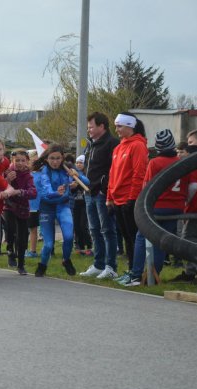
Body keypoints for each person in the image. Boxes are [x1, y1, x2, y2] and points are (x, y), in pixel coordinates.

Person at [116, 130, 187, 286]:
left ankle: (136, 274)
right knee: (162, 240)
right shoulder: (181, 161)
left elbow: (146, 187)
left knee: (142, 237)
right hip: (176, 207)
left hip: (157, 207)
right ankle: (155, 274)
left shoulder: (154, 163)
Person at [32, 144, 88, 277]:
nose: (55, 162)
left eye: (58, 158)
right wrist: (57, 193)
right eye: (52, 158)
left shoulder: (68, 168)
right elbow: (46, 192)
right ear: (46, 159)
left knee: (69, 237)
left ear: (62, 158)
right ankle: (43, 265)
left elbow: (87, 182)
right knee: (49, 244)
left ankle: (66, 260)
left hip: (63, 206)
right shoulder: (43, 172)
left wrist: (76, 176)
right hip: (47, 208)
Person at [106, 112, 148, 277]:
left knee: (133, 236)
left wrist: (132, 197)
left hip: (129, 199)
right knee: (126, 237)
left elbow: (139, 173)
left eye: (119, 126)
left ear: (130, 126)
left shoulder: (138, 146)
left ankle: (137, 270)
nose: (116, 129)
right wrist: (109, 198)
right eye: (116, 126)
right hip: (117, 199)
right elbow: (112, 173)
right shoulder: (118, 147)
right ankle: (131, 268)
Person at [79, 112, 121, 280]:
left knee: (107, 230)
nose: (88, 130)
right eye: (88, 127)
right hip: (88, 192)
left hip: (102, 194)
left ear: (102, 126)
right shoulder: (90, 144)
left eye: (91, 126)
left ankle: (111, 266)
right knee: (94, 229)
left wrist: (105, 188)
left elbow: (114, 170)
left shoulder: (112, 143)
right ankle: (98, 264)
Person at [170, 143, 197, 283]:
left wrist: (186, 203)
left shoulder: (196, 160)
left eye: (190, 142)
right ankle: (191, 272)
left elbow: (194, 185)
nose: (189, 145)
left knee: (187, 238)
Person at [3, 149, 37, 275]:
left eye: (23, 160)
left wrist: (20, 192)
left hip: (23, 208)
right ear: (12, 160)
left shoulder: (28, 175)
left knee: (22, 237)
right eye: (17, 160)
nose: (20, 163)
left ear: (27, 161)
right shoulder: (8, 172)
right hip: (9, 205)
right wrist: (7, 180)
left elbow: (33, 193)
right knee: (10, 228)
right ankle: (10, 250)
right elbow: (0, 187)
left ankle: (21, 264)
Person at [71, 154, 92, 255]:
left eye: (81, 163)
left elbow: (88, 183)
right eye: (77, 162)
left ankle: (89, 246)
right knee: (77, 225)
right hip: (76, 202)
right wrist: (72, 187)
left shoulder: (85, 174)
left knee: (84, 225)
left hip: (85, 202)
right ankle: (80, 246)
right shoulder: (73, 173)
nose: (79, 164)